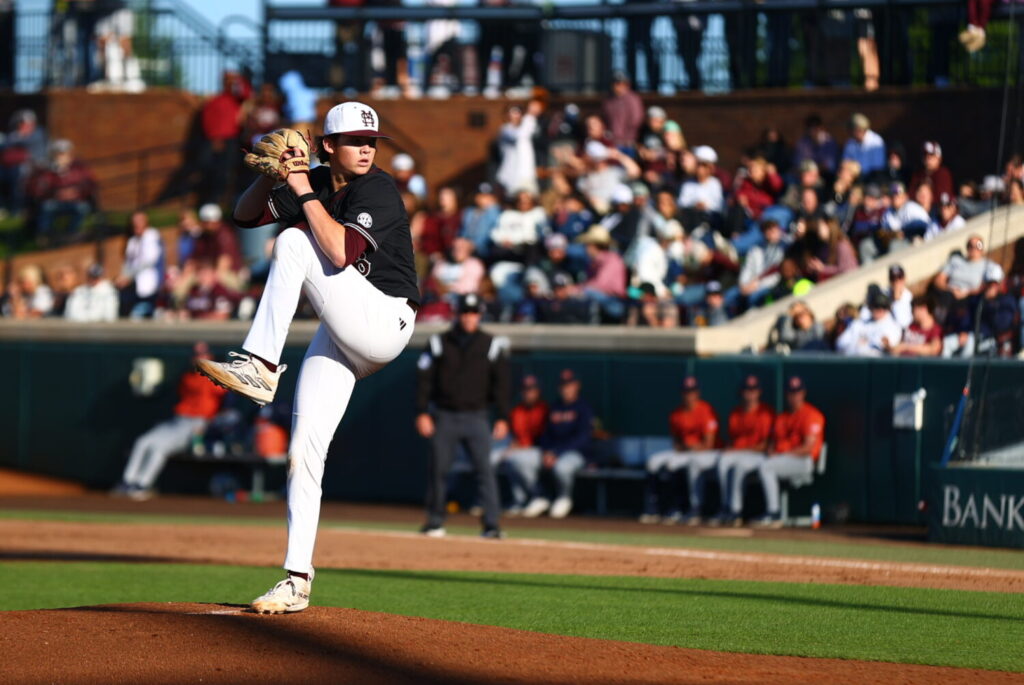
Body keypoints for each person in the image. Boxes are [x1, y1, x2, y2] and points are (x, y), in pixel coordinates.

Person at [195, 102, 420, 615]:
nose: (366, 148)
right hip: (343, 331)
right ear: (327, 145)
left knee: (296, 241)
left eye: (372, 141)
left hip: (385, 321)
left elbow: (340, 252)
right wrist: (277, 174)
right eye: (353, 140)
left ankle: (260, 364)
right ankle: (297, 579)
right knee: (303, 452)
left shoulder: (377, 189)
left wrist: (300, 187)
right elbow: (244, 216)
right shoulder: (316, 178)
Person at [415, 292, 510, 536]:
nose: (469, 318)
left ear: (480, 315)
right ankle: (435, 521)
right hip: (445, 415)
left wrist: (502, 417)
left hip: (477, 416)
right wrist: (422, 412)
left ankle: (491, 525)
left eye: (474, 313)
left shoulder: (491, 344)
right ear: (458, 314)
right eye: (465, 312)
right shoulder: (439, 342)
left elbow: (501, 384)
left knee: (485, 471)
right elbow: (424, 381)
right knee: (438, 469)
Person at [113, 342, 227, 500]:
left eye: (202, 356)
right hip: (177, 421)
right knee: (142, 442)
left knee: (159, 448)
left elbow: (227, 400)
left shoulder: (217, 379)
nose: (198, 359)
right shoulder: (187, 377)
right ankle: (128, 482)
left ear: (210, 357)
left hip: (196, 425)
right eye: (196, 356)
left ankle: (142, 485)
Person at [640, 376, 719, 524]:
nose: (689, 396)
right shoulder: (676, 414)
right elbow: (676, 442)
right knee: (653, 462)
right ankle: (653, 507)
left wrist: (694, 447)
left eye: (692, 391)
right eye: (686, 392)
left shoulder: (705, 410)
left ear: (697, 393)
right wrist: (684, 447)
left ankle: (681, 507)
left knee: (677, 465)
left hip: (703, 453)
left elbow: (709, 443)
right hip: (684, 451)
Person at [518, 369, 594, 519]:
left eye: (569, 385)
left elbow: (583, 438)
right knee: (519, 460)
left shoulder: (584, 408)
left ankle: (564, 498)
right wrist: (547, 451)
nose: (566, 389)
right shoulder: (554, 407)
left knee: (562, 467)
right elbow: (546, 434)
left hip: (575, 453)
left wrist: (556, 453)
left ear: (576, 386)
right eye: (563, 385)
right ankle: (539, 496)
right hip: (551, 452)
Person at [754, 376, 825, 528]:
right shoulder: (782, 417)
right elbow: (773, 443)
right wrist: (773, 451)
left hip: (804, 461)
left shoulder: (812, 415)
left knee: (766, 467)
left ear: (803, 393)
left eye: (797, 392)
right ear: (786, 395)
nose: (794, 397)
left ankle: (773, 513)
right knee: (764, 463)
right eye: (791, 393)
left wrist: (781, 454)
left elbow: (808, 448)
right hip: (784, 459)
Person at [713, 376, 775, 525]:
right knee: (722, 461)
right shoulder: (736, 413)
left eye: (753, 390)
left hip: (758, 455)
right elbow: (733, 440)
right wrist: (733, 450)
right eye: (747, 390)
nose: (750, 394)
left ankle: (736, 509)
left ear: (759, 392)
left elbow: (765, 446)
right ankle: (725, 506)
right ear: (742, 392)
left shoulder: (765, 413)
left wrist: (737, 450)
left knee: (739, 466)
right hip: (740, 452)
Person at [491, 374, 548, 512]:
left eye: (532, 390)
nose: (528, 393)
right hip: (518, 448)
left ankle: (538, 495)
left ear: (538, 391)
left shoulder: (544, 410)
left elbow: (545, 436)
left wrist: (521, 446)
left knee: (518, 459)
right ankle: (519, 500)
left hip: (538, 449)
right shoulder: (517, 411)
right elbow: (512, 433)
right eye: (526, 390)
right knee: (495, 458)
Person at [26, 139, 96, 245]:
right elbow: (36, 189)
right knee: (47, 207)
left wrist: (77, 192)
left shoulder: (79, 168)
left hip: (75, 200)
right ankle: (45, 236)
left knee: (82, 208)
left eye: (65, 154)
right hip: (54, 201)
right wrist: (56, 194)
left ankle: (71, 233)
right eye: (59, 154)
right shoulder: (44, 170)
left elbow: (90, 184)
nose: (62, 157)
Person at [116, 210, 163, 319]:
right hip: (133, 284)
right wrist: (122, 276)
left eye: (140, 221)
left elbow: (149, 261)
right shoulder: (132, 240)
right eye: (134, 221)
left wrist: (128, 276)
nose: (136, 224)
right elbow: (128, 261)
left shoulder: (152, 236)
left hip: (149, 284)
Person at [836, 290, 903, 357]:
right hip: (853, 361)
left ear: (887, 309)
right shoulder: (859, 324)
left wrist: (887, 346)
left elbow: (892, 350)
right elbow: (840, 343)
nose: (878, 310)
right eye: (875, 306)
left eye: (882, 307)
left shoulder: (894, 327)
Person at [601, 72, 645, 153]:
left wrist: (627, 138)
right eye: (615, 83)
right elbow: (605, 120)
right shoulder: (608, 101)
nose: (617, 86)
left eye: (621, 83)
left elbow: (636, 120)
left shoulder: (633, 99)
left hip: (628, 144)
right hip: (612, 143)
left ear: (627, 84)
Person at [842, 113, 885, 179]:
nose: (852, 133)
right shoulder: (850, 143)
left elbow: (878, 166)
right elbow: (845, 163)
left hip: (873, 178)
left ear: (862, 129)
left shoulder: (876, 142)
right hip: (853, 178)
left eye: (854, 129)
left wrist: (857, 169)